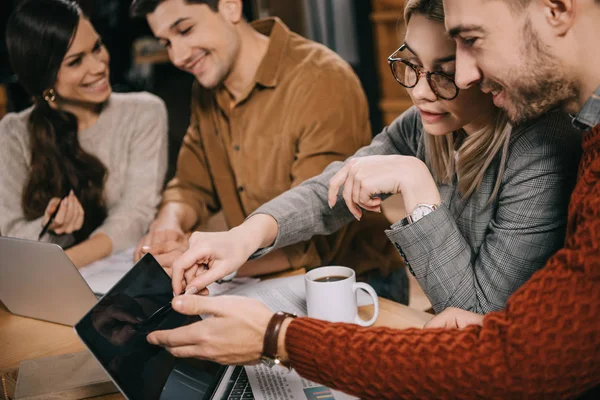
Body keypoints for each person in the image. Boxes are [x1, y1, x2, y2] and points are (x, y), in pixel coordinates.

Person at [147, 0, 600, 398]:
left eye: (446, 69)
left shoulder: (542, 144)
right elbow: (334, 186)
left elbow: (478, 323)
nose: (422, 90)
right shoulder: (426, 122)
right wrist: (244, 236)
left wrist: (419, 189)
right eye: (411, 64)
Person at [128, 0, 406, 301]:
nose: (178, 56)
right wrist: (168, 226)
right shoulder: (208, 85)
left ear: (231, 7)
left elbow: (315, 231)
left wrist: (204, 257)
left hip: (353, 283)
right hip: (262, 278)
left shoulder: (321, 78)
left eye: (185, 29)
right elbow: (190, 186)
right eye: (166, 43)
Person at [0, 0, 168, 267]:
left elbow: (136, 214)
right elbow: (10, 238)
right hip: (45, 286)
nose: (99, 66)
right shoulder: (13, 133)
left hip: (109, 276)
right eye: (76, 61)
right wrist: (51, 228)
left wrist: (63, 265)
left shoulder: (144, 112)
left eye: (97, 47)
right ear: (46, 82)